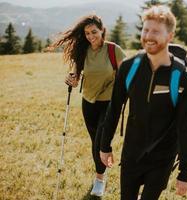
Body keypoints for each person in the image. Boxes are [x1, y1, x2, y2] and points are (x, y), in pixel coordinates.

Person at [100, 5, 187, 200]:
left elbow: (184, 127)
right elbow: (114, 109)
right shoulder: (129, 68)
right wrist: (104, 145)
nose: (148, 36)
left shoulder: (182, 78)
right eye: (145, 29)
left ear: (170, 36)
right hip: (131, 154)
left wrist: (185, 172)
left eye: (156, 31)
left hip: (162, 158)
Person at [51, 14, 126, 197]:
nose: (91, 36)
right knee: (96, 142)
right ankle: (104, 165)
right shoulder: (83, 51)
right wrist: (71, 79)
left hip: (110, 103)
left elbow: (127, 74)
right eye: (87, 33)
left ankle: (99, 179)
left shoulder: (113, 50)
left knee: (101, 142)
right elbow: (75, 79)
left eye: (94, 32)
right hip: (89, 102)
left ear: (102, 30)